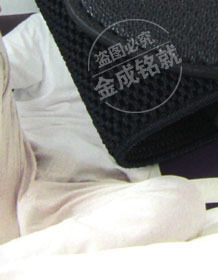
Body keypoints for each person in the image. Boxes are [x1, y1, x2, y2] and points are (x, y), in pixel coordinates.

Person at [0, 19, 205, 264]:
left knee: (183, 199)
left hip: (94, 195)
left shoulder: (173, 39)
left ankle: (14, 257)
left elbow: (199, 106)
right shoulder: (46, 26)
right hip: (22, 172)